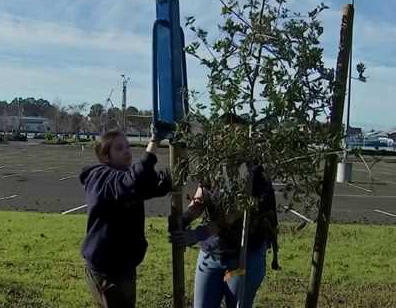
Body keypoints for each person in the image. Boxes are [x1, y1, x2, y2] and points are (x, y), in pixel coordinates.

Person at [170, 116, 279, 308]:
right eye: (224, 135)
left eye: (237, 136)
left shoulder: (255, 173)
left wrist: (197, 234)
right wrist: (184, 219)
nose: (229, 141)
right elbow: (201, 196)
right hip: (212, 253)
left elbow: (233, 213)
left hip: (244, 256)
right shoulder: (214, 165)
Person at [80, 130, 171, 308]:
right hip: (104, 269)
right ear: (106, 156)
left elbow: (145, 185)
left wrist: (165, 182)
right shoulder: (100, 178)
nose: (127, 151)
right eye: (119, 148)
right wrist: (154, 142)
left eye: (127, 146)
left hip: (124, 265)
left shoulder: (123, 177)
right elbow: (130, 181)